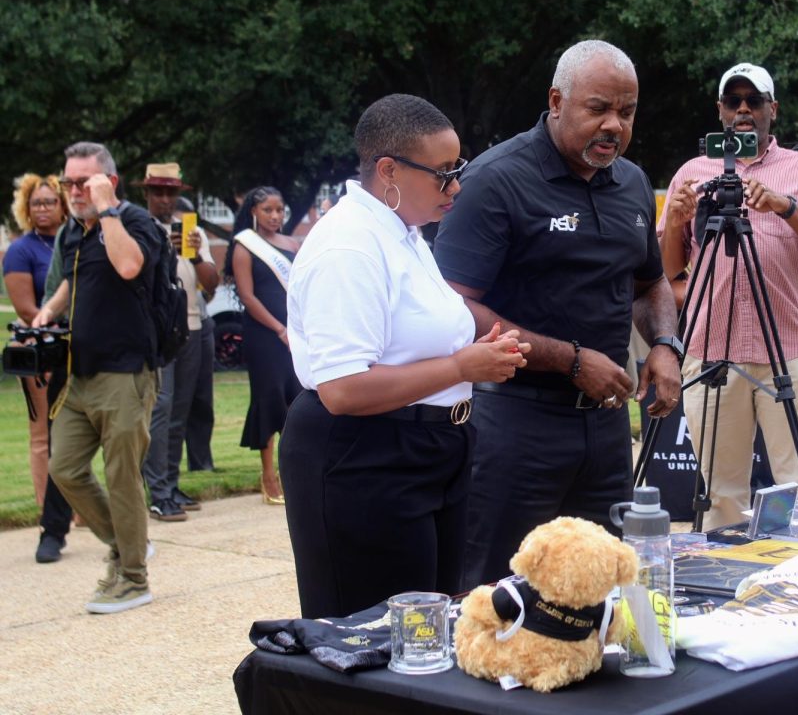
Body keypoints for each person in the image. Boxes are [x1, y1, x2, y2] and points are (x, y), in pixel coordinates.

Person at [434, 40, 681, 588]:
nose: (614, 125)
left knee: (599, 588)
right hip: (513, 422)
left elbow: (650, 282)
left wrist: (665, 345)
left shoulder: (634, 183)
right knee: (498, 590)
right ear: (556, 101)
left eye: (627, 111)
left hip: (605, 425)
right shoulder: (497, 180)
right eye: (598, 108)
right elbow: (450, 307)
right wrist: (568, 360)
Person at [281, 94, 530, 618]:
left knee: (429, 629)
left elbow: (413, 340)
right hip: (366, 457)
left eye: (456, 170)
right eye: (442, 174)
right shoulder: (349, 245)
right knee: (378, 638)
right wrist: (461, 367)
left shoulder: (402, 233)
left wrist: (471, 358)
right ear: (388, 170)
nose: (456, 186)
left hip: (430, 447)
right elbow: (343, 389)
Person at [656, 62, 798, 529]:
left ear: (772, 110)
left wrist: (785, 206)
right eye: (733, 101)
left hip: (788, 349)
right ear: (720, 110)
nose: (743, 109)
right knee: (721, 494)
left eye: (754, 100)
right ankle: (727, 586)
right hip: (711, 350)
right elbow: (666, 270)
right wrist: (677, 221)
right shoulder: (692, 171)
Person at [33, 141, 161, 613]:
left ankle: (133, 577)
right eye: (68, 181)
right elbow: (73, 277)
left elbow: (128, 265)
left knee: (122, 476)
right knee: (64, 468)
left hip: (127, 374)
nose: (73, 190)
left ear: (108, 181)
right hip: (80, 374)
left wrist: (107, 210)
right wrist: (47, 312)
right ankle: (129, 542)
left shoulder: (134, 223)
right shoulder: (74, 232)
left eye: (84, 181)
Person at [137, 164, 219, 521]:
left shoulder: (192, 231)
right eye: (158, 192)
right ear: (147, 195)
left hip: (192, 327)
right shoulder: (137, 227)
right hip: (156, 331)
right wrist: (165, 250)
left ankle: (170, 484)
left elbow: (212, 284)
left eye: (171, 192)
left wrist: (196, 254)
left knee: (180, 411)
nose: (165, 199)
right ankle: (157, 491)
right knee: (161, 408)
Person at [3, 172, 75, 562]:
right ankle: (47, 510)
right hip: (42, 349)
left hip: (75, 348)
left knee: (72, 435)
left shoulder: (71, 241)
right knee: (43, 437)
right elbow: (29, 310)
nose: (42, 208)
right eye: (36, 203)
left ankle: (74, 506)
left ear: (63, 205)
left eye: (49, 201)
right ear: (25, 209)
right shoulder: (21, 251)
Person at [224, 186, 301, 504]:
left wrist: (294, 329)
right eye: (268, 210)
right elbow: (247, 296)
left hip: (294, 334)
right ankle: (268, 476)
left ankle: (293, 472)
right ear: (254, 212)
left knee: (296, 398)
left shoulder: (292, 244)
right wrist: (278, 329)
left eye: (279, 209)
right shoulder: (245, 246)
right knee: (269, 399)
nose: (275, 216)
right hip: (263, 335)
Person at [176, 195, 217, 472]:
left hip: (202, 320)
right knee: (176, 400)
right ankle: (166, 467)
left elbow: (211, 285)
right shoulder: (151, 232)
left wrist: (196, 253)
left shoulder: (198, 237)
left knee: (202, 399)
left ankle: (201, 462)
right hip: (175, 326)